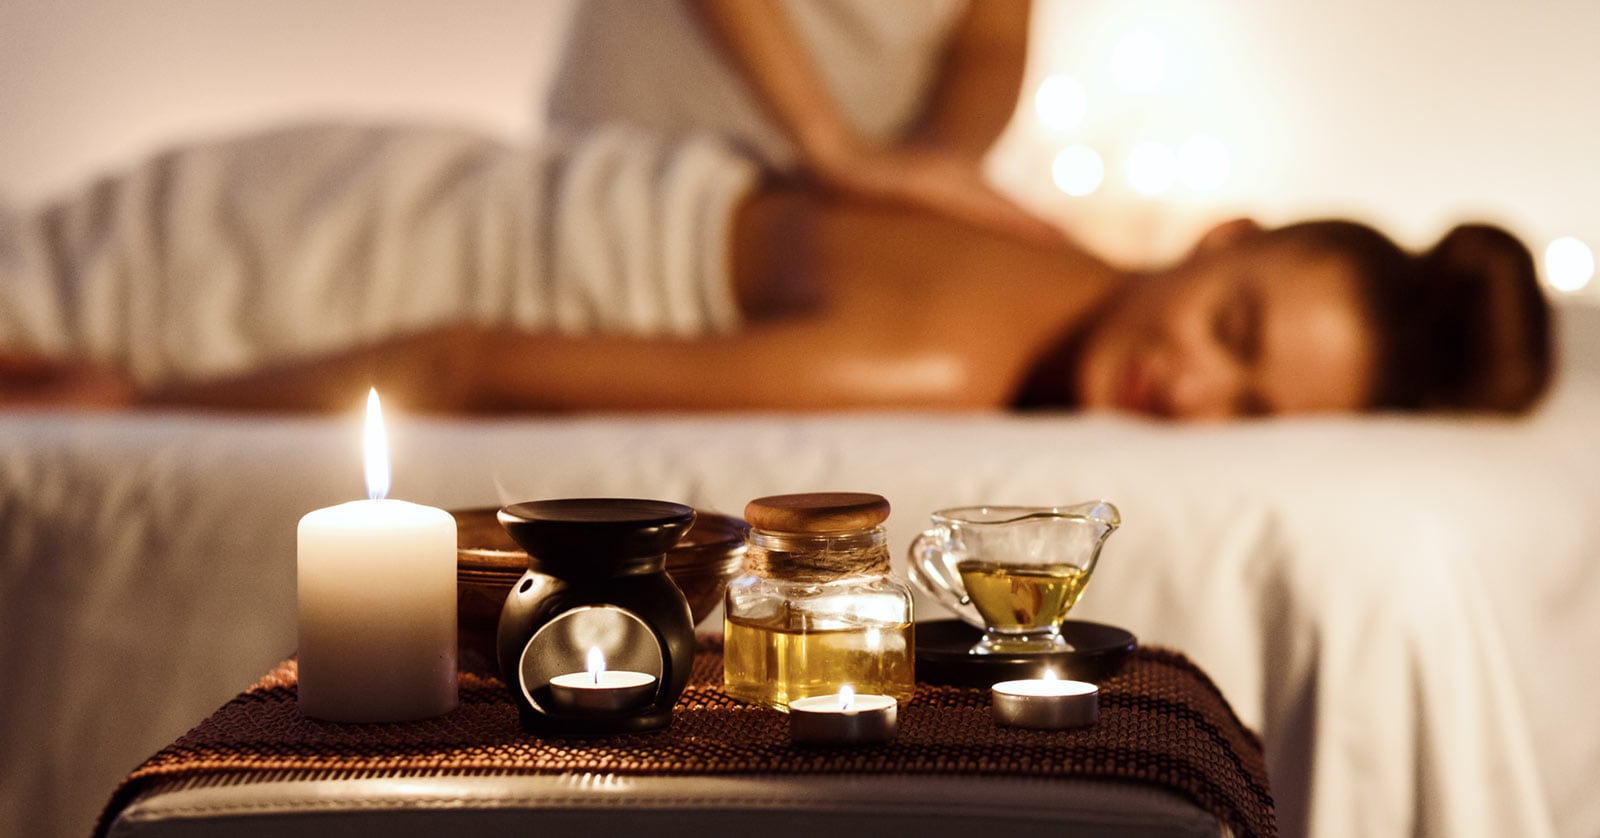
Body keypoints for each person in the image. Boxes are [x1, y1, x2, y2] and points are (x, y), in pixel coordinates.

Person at [0, 120, 1553, 419]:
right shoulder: (944, 368)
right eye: (1234, 326)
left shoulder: (1035, 248)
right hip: (353, 259)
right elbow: (465, 363)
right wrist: (143, 405)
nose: (1190, 388)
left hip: (403, 177)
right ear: (1222, 240)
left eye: (1251, 410)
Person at [547, 0, 1061, 245]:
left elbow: (994, 39)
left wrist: (933, 169)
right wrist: (836, 149)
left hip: (843, 211)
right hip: (639, 160)